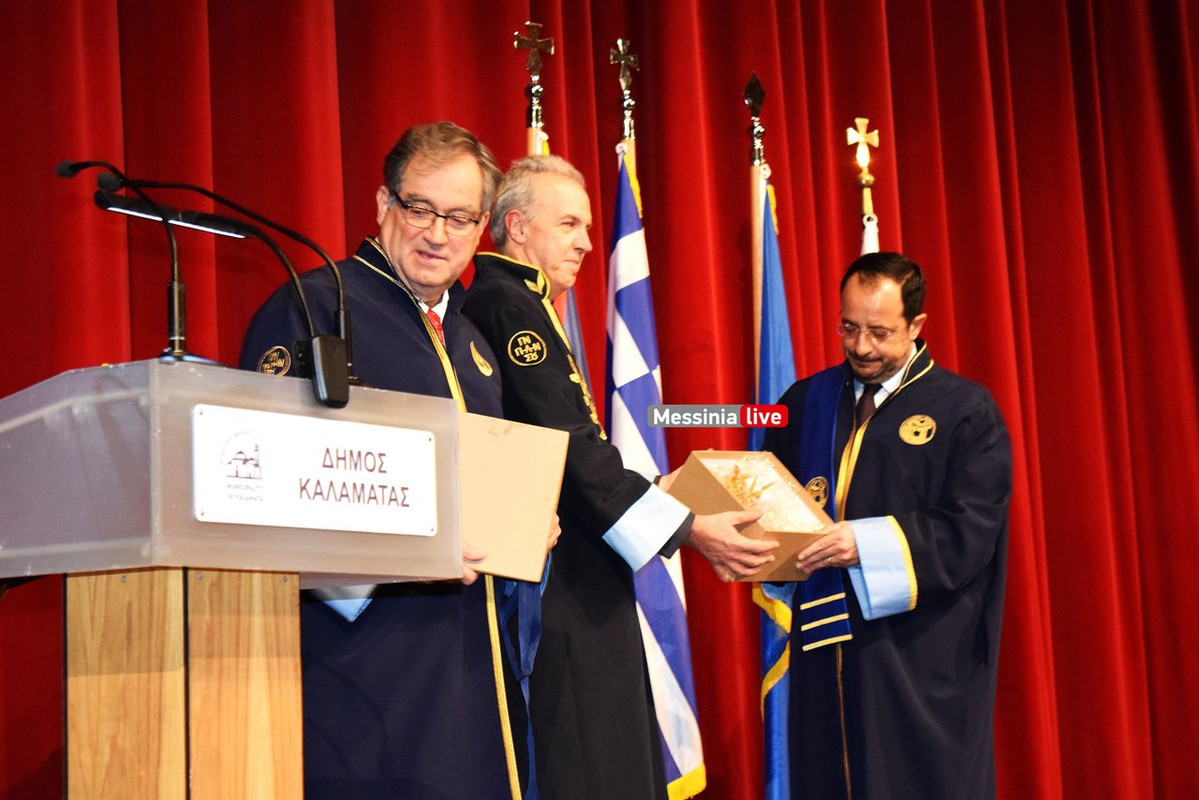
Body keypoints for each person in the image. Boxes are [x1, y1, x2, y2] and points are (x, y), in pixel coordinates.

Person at [462, 155, 778, 800]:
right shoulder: (508, 304)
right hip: (561, 582)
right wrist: (686, 528)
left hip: (575, 570)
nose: (585, 242)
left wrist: (660, 494)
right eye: (569, 224)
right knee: (593, 763)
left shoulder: (521, 301)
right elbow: (568, 449)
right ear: (516, 227)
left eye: (586, 226)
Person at [240, 121, 526, 800]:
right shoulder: (315, 307)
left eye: (460, 217)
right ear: (381, 204)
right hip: (360, 667)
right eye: (419, 208)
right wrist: (405, 555)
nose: (437, 234)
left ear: (482, 227)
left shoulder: (473, 340)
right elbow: (260, 488)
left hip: (472, 658)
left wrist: (526, 520)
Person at [761, 252, 1012, 800]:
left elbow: (970, 534)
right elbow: (772, 499)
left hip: (918, 660)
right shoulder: (806, 401)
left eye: (879, 332)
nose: (861, 346)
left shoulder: (965, 411)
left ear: (916, 325)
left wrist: (863, 543)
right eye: (848, 327)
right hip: (824, 650)